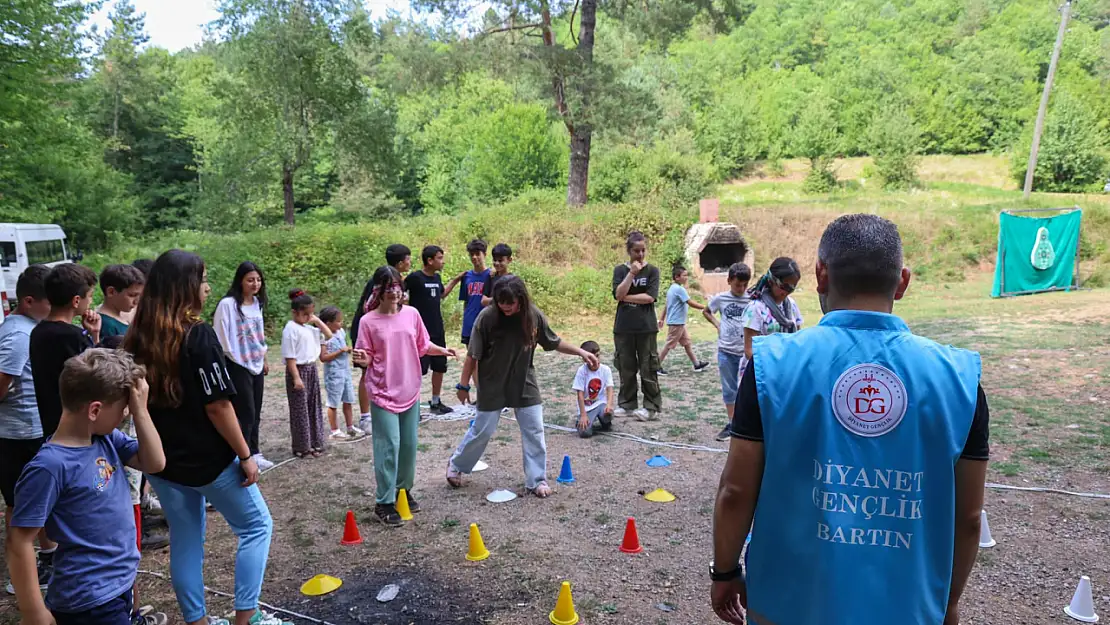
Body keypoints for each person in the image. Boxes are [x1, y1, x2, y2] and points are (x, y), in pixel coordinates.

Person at [710, 214, 989, 625]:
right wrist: (948, 602)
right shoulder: (960, 378)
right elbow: (968, 519)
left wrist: (726, 570)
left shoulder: (772, 365)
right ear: (903, 282)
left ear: (821, 276)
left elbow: (735, 491)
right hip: (906, 608)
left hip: (786, 604)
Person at [125, 249, 288, 625]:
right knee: (256, 526)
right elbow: (219, 406)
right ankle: (246, 618)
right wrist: (245, 453)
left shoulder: (137, 336)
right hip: (209, 460)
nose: (207, 287)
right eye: (201, 279)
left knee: (186, 541)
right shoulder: (197, 335)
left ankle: (197, 621)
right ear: (184, 287)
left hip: (163, 462)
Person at [6, 348, 166, 625]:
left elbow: (155, 462)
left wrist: (141, 412)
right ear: (94, 410)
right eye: (124, 409)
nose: (126, 414)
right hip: (88, 601)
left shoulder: (105, 439)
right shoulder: (50, 467)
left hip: (117, 585)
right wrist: (34, 612)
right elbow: (19, 540)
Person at [447, 276, 598, 498]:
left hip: (524, 381)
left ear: (521, 300)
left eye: (511, 303)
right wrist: (463, 385)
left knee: (534, 429)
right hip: (492, 383)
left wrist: (581, 352)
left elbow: (553, 341)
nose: (506, 307)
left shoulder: (532, 316)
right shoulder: (487, 317)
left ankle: (536, 480)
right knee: (483, 429)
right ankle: (456, 465)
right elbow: (472, 355)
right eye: (501, 303)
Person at [353, 267, 456, 525]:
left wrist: (443, 350)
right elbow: (363, 356)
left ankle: (403, 490)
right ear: (377, 291)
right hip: (382, 391)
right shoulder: (368, 322)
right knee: (389, 446)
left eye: (397, 286)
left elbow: (422, 344)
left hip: (410, 389)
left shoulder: (412, 314)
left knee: (409, 446)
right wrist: (363, 359)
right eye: (388, 288)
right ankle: (384, 501)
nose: (394, 293)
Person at [0, 265, 56, 596]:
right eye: (50, 301)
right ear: (29, 301)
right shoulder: (20, 335)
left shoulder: (26, 327)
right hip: (19, 434)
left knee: (36, 502)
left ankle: (48, 555)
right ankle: (20, 576)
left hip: (28, 429)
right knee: (21, 505)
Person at [213, 262, 274, 472]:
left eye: (258, 279)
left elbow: (259, 334)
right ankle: (242, 455)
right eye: (250, 279)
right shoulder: (228, 304)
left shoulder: (257, 303)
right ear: (240, 280)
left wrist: (263, 358)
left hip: (256, 362)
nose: (255, 284)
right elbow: (221, 335)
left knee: (256, 409)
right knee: (244, 411)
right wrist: (227, 362)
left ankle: (255, 452)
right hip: (236, 363)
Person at [30, 263, 101, 439]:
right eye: (90, 297)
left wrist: (90, 333)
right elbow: (98, 374)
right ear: (76, 301)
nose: (90, 302)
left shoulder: (37, 331)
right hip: (77, 426)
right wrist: (95, 336)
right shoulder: (73, 336)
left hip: (50, 422)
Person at [351, 243, 414, 431]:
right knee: (368, 371)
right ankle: (365, 417)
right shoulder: (383, 279)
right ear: (401, 262)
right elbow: (368, 308)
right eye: (409, 259)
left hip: (384, 330)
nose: (410, 262)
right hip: (369, 330)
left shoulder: (394, 279)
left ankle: (393, 407)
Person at [404, 245, 465, 416]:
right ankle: (411, 405)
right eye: (439, 258)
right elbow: (400, 292)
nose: (442, 261)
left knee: (440, 366)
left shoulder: (437, 278)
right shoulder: (415, 278)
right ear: (429, 260)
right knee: (417, 369)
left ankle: (436, 401)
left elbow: (442, 294)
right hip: (418, 331)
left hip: (437, 329)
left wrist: (456, 280)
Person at [611, 231, 662, 421]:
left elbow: (650, 297)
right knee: (626, 367)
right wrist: (632, 273)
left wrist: (626, 297)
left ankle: (651, 407)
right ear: (628, 251)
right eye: (636, 251)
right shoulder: (620, 271)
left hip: (646, 327)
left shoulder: (653, 271)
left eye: (643, 250)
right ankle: (627, 404)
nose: (640, 255)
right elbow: (618, 294)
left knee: (648, 366)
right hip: (623, 327)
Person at [704, 262, 752, 442]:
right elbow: (707, 311)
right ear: (729, 281)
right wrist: (717, 325)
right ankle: (732, 423)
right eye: (738, 284)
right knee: (729, 389)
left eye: (745, 285)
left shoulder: (752, 299)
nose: (741, 288)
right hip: (726, 350)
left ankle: (746, 422)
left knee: (746, 389)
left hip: (746, 352)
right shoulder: (721, 299)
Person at [282, 289, 332, 459]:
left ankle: (316, 442)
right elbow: (290, 357)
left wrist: (316, 320)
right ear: (294, 312)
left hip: (311, 370)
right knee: (300, 411)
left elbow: (328, 334)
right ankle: (302, 447)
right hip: (298, 371)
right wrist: (296, 377)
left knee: (313, 407)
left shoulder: (309, 329)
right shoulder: (290, 329)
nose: (307, 317)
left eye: (310, 313)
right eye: (305, 314)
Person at [741, 257, 805, 363]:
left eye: (792, 288)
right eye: (784, 286)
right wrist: (775, 366)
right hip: (761, 371)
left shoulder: (792, 305)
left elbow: (797, 338)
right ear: (771, 281)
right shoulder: (755, 309)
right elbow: (749, 351)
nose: (787, 292)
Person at [318, 306, 363, 439]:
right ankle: (335, 430)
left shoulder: (341, 332)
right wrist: (340, 352)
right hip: (333, 374)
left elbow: (344, 347)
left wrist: (349, 350)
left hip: (345, 371)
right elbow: (323, 358)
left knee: (348, 399)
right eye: (338, 321)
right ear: (328, 323)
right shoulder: (323, 337)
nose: (340, 323)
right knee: (333, 402)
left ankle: (350, 427)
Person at [657, 265, 710, 375]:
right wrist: (704, 307)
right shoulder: (679, 289)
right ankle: (656, 366)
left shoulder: (672, 289)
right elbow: (689, 302)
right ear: (677, 277)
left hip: (678, 322)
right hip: (676, 323)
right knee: (668, 345)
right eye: (684, 275)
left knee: (687, 344)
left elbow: (667, 305)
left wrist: (661, 319)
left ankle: (696, 364)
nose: (686, 277)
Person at [571, 341, 614, 438]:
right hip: (587, 407)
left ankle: (605, 422)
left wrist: (609, 405)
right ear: (584, 359)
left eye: (597, 356)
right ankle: (582, 423)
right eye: (591, 358)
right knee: (585, 433)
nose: (595, 360)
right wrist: (583, 414)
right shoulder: (582, 371)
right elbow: (580, 394)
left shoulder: (605, 369)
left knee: (608, 415)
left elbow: (610, 388)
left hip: (600, 403)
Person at [98, 264, 145, 339]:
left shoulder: (121, 317)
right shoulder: (107, 325)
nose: (136, 301)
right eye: (132, 295)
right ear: (111, 292)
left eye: (139, 295)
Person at [458, 239, 490, 347]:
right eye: (471, 254)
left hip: (486, 323)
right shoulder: (466, 276)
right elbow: (466, 302)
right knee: (472, 359)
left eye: (477, 254)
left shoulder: (492, 275)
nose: (474, 257)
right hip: (470, 323)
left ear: (484, 254)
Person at [480, 242, 513, 307]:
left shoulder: (513, 280)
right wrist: (501, 300)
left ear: (509, 260)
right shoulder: (491, 277)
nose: (497, 263)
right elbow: (483, 301)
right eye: (495, 260)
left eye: (500, 260)